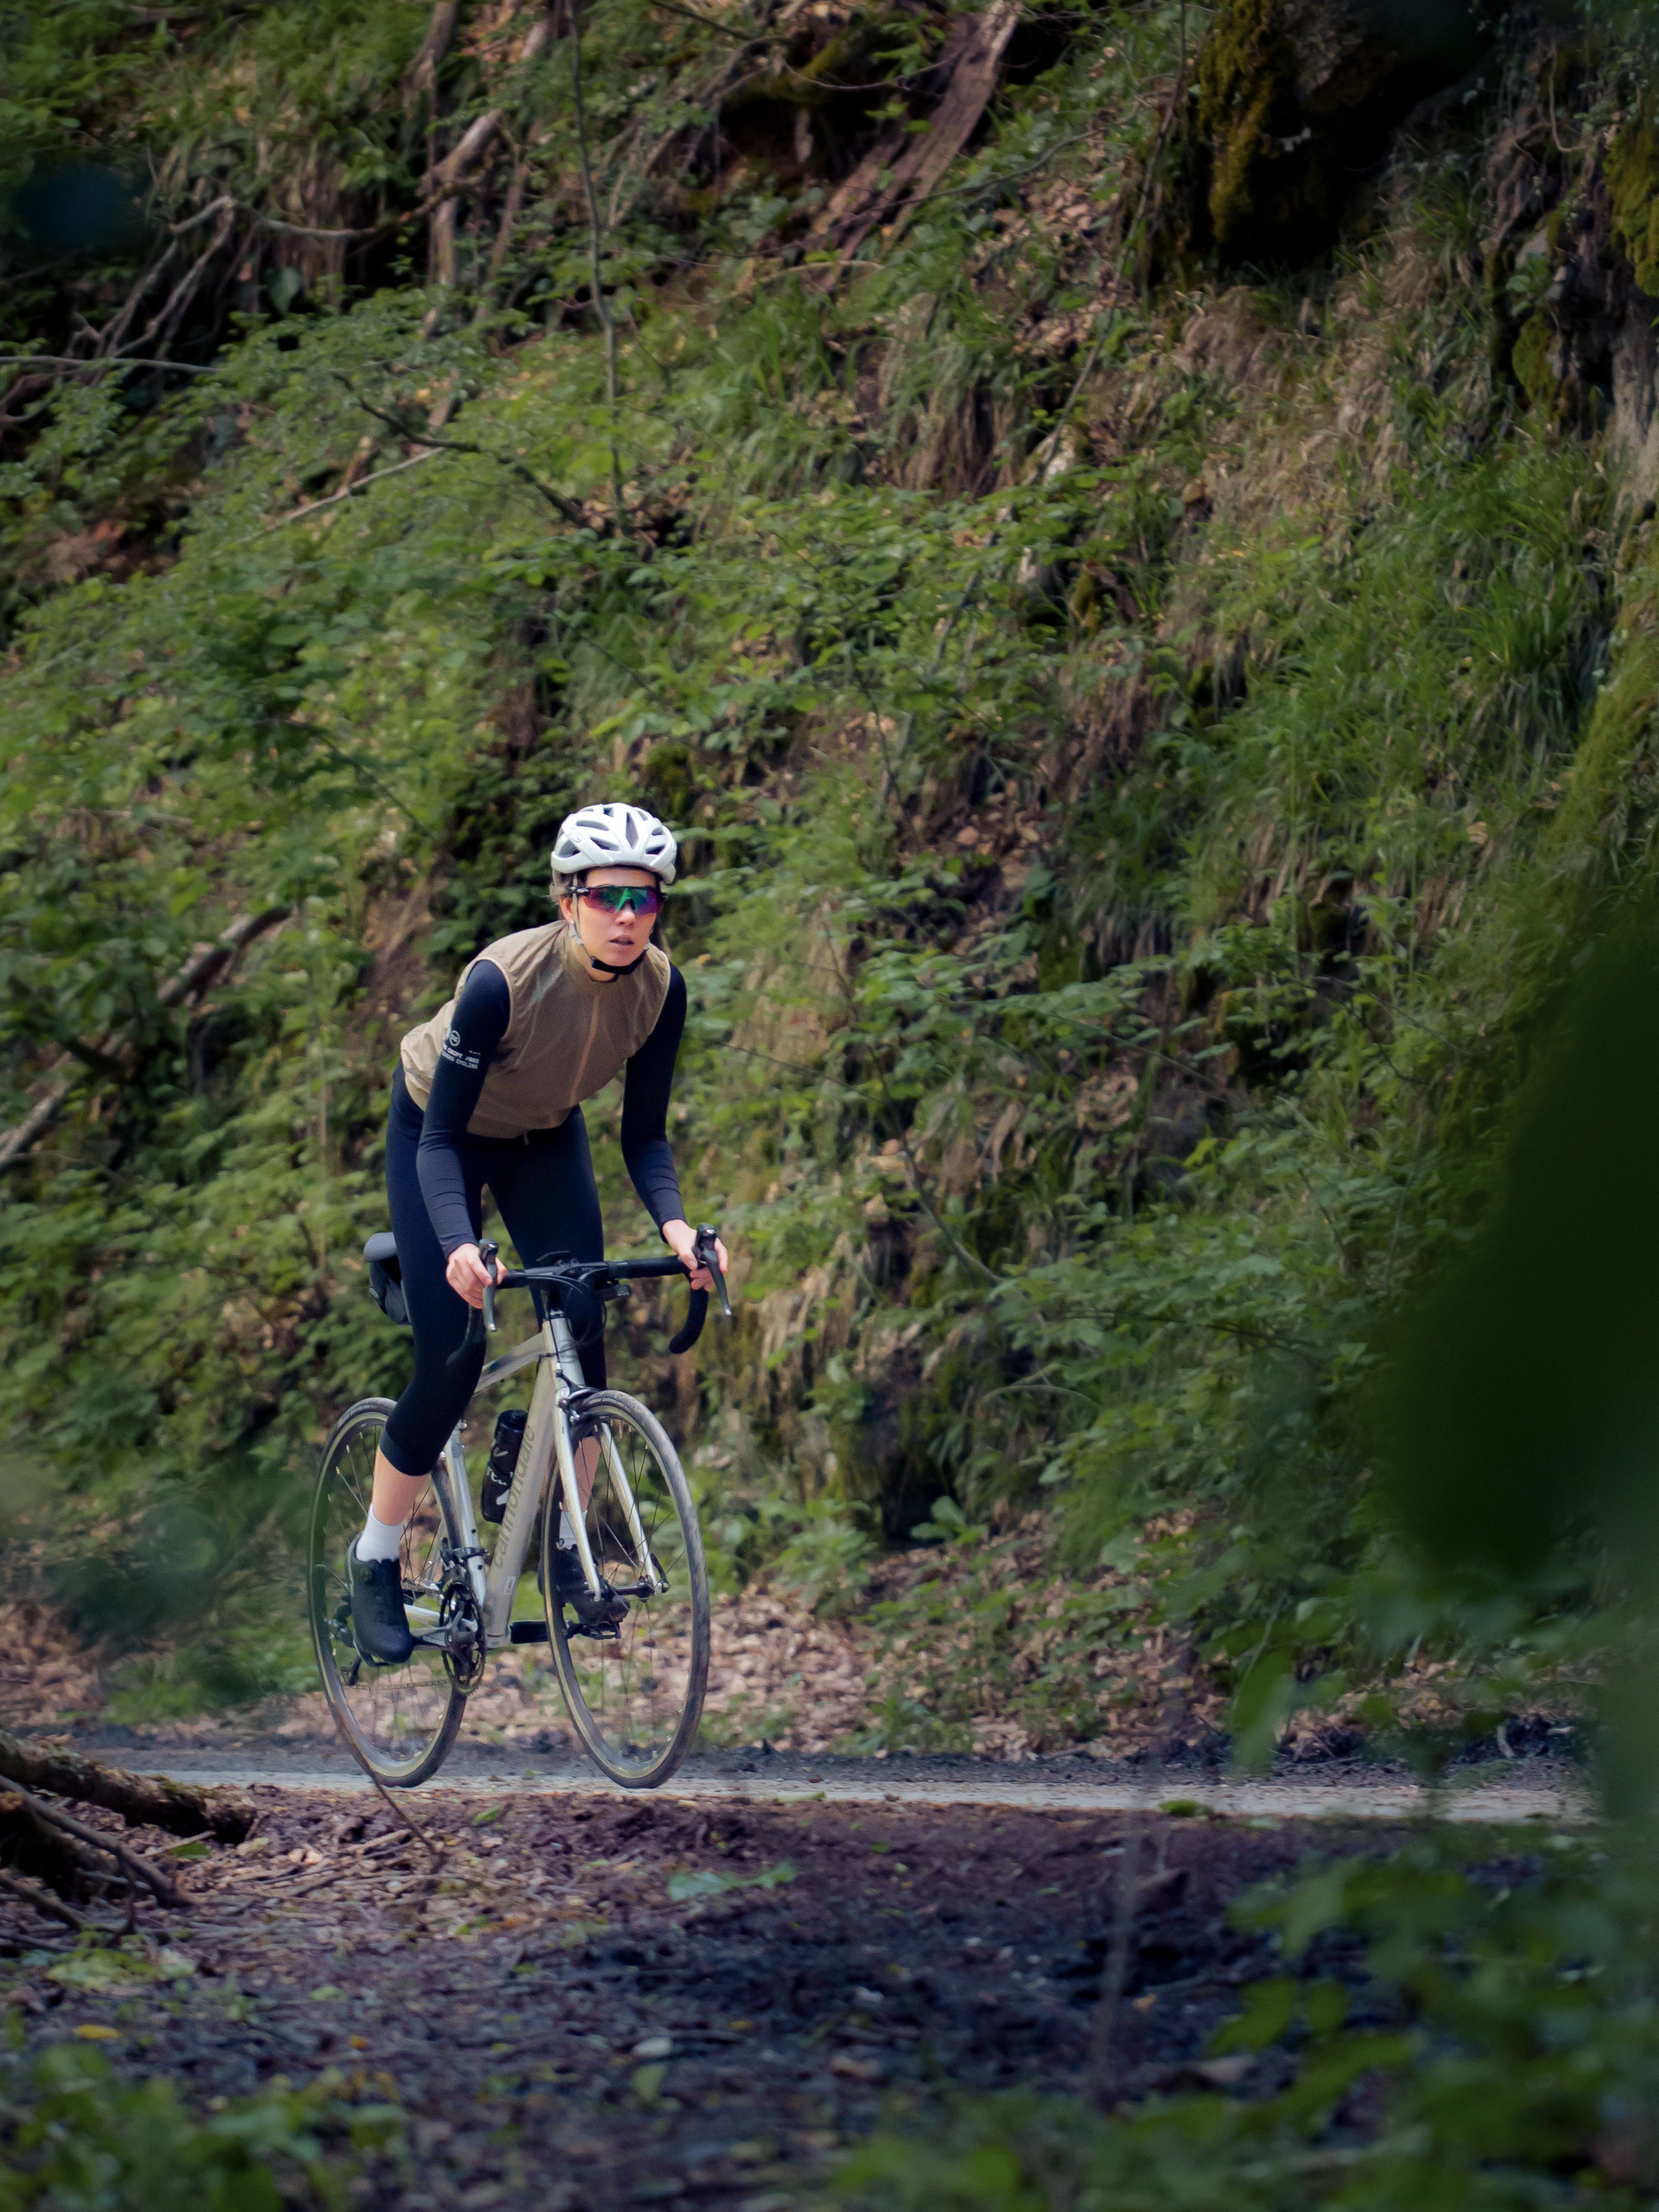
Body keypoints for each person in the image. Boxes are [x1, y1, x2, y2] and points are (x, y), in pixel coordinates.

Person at [351, 801, 728, 1664]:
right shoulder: (501, 982)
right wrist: (457, 1243)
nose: (628, 917)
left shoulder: (661, 990)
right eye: (607, 898)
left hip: (544, 1134)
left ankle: (567, 1545)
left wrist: (678, 1228)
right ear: (569, 901)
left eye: (646, 900)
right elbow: (440, 1141)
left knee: (582, 1321)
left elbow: (645, 1134)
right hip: (438, 1133)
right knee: (452, 1359)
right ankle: (373, 1556)